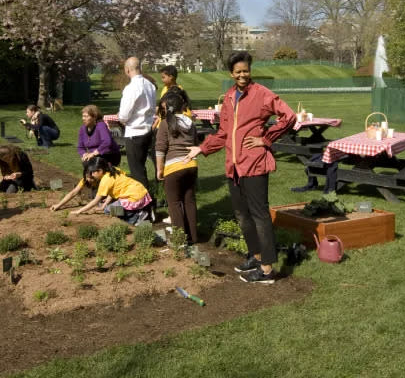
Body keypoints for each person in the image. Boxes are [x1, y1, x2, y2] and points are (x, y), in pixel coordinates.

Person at [186, 51, 295, 284]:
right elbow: (224, 133)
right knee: (242, 216)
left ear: (250, 70)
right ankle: (256, 257)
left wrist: (265, 139)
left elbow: (289, 116)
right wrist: (201, 149)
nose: (243, 75)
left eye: (246, 70)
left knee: (259, 215)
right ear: (231, 74)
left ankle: (267, 270)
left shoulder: (262, 94)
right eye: (238, 72)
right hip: (234, 167)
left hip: (254, 163)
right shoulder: (229, 97)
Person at [155, 89, 199, 244]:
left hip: (173, 168)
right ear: (182, 106)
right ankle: (193, 237)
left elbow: (160, 148)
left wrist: (159, 169)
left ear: (168, 108)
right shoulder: (191, 123)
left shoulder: (165, 123)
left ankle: (180, 240)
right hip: (191, 166)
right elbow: (195, 145)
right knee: (189, 201)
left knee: (174, 203)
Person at [71, 156, 153, 225]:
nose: (92, 175)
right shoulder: (113, 170)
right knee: (108, 208)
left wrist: (79, 211)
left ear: (100, 171)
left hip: (135, 198)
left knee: (108, 210)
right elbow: (112, 190)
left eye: (93, 172)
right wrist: (103, 205)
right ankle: (142, 211)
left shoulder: (105, 181)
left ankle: (137, 216)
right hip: (141, 192)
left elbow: (95, 201)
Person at [117, 56, 156, 188]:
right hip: (148, 129)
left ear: (127, 70)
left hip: (135, 131)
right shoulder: (150, 85)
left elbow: (123, 114)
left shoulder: (131, 87)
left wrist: (121, 118)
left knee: (137, 171)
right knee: (142, 167)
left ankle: (144, 203)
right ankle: (148, 199)